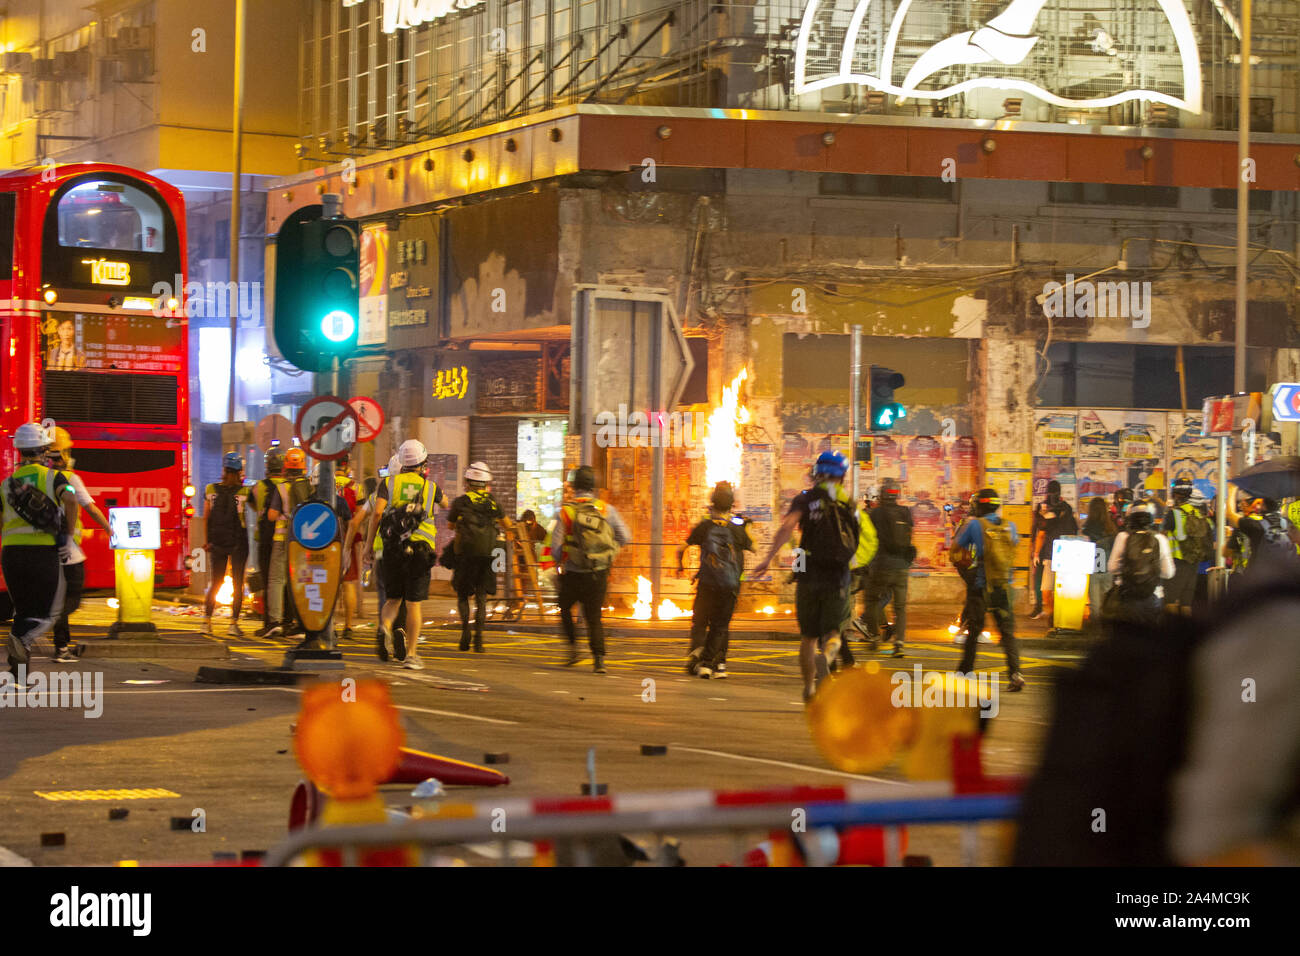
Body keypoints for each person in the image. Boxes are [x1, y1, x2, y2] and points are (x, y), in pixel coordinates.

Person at [751, 451, 877, 702]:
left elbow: (787, 527)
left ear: (817, 473)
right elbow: (870, 540)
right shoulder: (849, 504)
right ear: (841, 476)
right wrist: (852, 563)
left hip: (807, 574)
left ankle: (808, 688)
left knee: (808, 637)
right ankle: (828, 656)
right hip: (838, 577)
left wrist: (767, 559)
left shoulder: (804, 500)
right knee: (833, 633)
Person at [3, 424, 78, 680]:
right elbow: (70, 498)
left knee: (22, 612)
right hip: (42, 553)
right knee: (48, 614)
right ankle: (19, 637)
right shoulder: (54, 477)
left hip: (12, 555)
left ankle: (19, 674)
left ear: (20, 451)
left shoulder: (6, 484)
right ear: (44, 449)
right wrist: (67, 536)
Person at [363, 439, 447, 669]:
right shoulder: (431, 488)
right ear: (423, 463)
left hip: (392, 550)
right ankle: (411, 655)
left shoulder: (388, 484)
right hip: (420, 550)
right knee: (414, 605)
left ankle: (384, 628)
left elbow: (377, 514)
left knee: (392, 599)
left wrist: (368, 546)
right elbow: (446, 503)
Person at [549, 464, 630, 674]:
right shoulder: (606, 510)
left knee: (564, 607)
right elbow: (625, 537)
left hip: (573, 574)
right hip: (598, 572)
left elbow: (556, 549)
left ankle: (573, 649)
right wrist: (608, 554)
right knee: (594, 617)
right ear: (593, 486)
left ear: (574, 486)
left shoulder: (566, 511)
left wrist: (564, 559)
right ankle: (599, 660)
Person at [43, 432, 111, 663]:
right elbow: (89, 507)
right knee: (72, 597)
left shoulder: (42, 477)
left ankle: (61, 648)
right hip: (68, 549)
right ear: (62, 453)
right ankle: (53, 627)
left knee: (58, 597)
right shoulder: (69, 478)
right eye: (68, 451)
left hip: (45, 547)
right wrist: (109, 528)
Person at [950, 488, 1025, 690]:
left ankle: (965, 671)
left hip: (981, 587)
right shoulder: (1011, 526)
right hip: (1004, 587)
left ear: (979, 506)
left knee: (974, 631)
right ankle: (1015, 674)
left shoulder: (976, 525)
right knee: (1007, 633)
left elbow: (957, 546)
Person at [678, 481, 753, 680]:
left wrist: (681, 567)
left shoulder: (705, 526)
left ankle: (699, 661)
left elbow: (681, 548)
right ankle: (719, 664)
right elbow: (752, 547)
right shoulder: (737, 528)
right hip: (731, 585)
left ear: (712, 503)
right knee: (721, 626)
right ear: (731, 505)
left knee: (700, 623)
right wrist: (744, 524)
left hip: (707, 583)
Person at [447, 461, 503, 653]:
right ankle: (479, 639)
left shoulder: (460, 502)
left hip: (466, 556)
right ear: (486, 483)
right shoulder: (493, 502)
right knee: (481, 598)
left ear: (468, 482)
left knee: (463, 595)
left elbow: (450, 526)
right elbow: (507, 523)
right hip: (488, 556)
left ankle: (465, 632)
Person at [861, 477, 913, 657]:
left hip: (881, 565)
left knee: (872, 601)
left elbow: (868, 540)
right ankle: (899, 643)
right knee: (900, 607)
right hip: (901, 567)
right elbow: (909, 536)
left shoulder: (875, 514)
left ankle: (875, 637)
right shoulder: (905, 512)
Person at [201, 452, 250, 637]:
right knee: (238, 583)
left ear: (224, 469)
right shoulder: (245, 492)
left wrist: (207, 541)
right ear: (239, 472)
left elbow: (206, 517)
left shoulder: (211, 489)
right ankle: (233, 624)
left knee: (216, 582)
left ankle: (206, 622)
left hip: (217, 541)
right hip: (239, 542)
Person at [1106, 502, 1175, 628]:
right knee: (1150, 639)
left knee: (1128, 638)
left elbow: (1112, 567)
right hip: (1153, 595)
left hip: (1127, 595)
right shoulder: (1160, 539)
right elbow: (1169, 573)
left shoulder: (1123, 537)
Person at [1225, 486, 1300, 578]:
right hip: (1285, 579)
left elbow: (1230, 514)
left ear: (1262, 505)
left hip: (1259, 581)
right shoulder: (1287, 523)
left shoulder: (1254, 525)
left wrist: (1231, 489)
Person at [1161, 481, 1211, 618]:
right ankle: (1185, 633)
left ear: (1175, 494)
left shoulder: (1174, 513)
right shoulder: (1197, 512)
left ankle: (1171, 631)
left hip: (1177, 560)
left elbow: (1163, 535)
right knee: (1186, 602)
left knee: (1170, 599)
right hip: (1194, 560)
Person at [1028, 480, 1076, 619]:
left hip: (1047, 550)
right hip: (1057, 550)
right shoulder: (1064, 507)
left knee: (1043, 584)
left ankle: (1049, 612)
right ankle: (1048, 611)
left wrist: (1034, 550)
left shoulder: (1060, 508)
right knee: (1047, 582)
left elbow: (1039, 531)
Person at [250, 447, 285, 637]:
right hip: (285, 538)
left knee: (268, 581)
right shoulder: (287, 485)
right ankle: (286, 622)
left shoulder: (259, 486)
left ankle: (269, 622)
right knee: (283, 581)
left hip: (265, 538)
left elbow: (252, 503)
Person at [1079, 495, 1117, 627]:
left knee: (1095, 604)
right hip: (1108, 568)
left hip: (1094, 567)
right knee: (1106, 602)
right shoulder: (1111, 527)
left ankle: (1096, 632)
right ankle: (1107, 631)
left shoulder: (1088, 527)